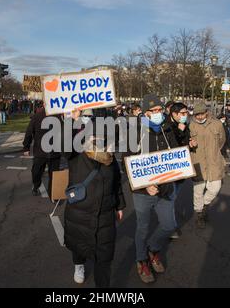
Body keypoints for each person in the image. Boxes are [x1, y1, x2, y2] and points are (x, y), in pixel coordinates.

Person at [123, 94, 178, 284]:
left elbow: (174, 157)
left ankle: (153, 249)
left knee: (169, 225)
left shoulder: (167, 129)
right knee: (143, 228)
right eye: (152, 111)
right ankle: (142, 261)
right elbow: (127, 164)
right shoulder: (134, 132)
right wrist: (146, 184)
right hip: (142, 192)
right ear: (145, 113)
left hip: (165, 188)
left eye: (159, 110)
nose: (157, 114)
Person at [63, 129, 125, 287]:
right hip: (79, 213)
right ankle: (79, 264)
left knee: (104, 257)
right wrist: (71, 120)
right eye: (94, 136)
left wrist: (119, 205)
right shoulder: (76, 155)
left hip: (105, 215)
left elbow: (116, 183)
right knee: (79, 245)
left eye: (103, 137)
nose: (98, 140)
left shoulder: (110, 159)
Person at [189, 103, 226, 229]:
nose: (199, 117)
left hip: (214, 161)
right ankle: (199, 214)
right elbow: (185, 142)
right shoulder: (191, 125)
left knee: (215, 187)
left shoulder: (217, 124)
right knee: (198, 190)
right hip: (197, 161)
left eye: (201, 114)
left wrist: (214, 151)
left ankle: (205, 204)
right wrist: (190, 145)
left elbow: (222, 140)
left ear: (206, 112)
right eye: (197, 114)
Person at [165, 103, 197, 239]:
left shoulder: (184, 125)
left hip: (181, 168)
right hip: (170, 168)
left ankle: (167, 221)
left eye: (186, 113)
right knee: (170, 199)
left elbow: (186, 140)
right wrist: (179, 131)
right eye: (183, 113)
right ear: (174, 114)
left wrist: (191, 143)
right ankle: (170, 226)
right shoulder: (165, 126)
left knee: (173, 197)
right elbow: (171, 144)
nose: (186, 115)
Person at [22, 102, 61, 196]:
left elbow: (29, 132)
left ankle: (37, 186)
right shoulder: (59, 116)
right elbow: (29, 132)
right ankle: (51, 191)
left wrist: (26, 147)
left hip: (42, 151)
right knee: (52, 173)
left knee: (37, 171)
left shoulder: (37, 116)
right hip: (52, 151)